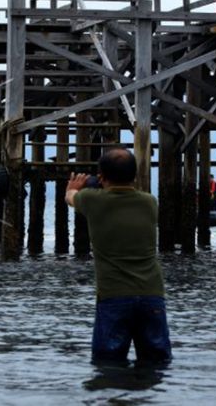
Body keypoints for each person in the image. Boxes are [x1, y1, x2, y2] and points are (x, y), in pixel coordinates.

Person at [65, 148, 172, 364]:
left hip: (114, 295)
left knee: (108, 364)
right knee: (157, 363)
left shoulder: (92, 200)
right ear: (134, 176)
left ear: (102, 177)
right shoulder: (149, 202)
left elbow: (70, 197)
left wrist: (74, 186)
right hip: (152, 294)